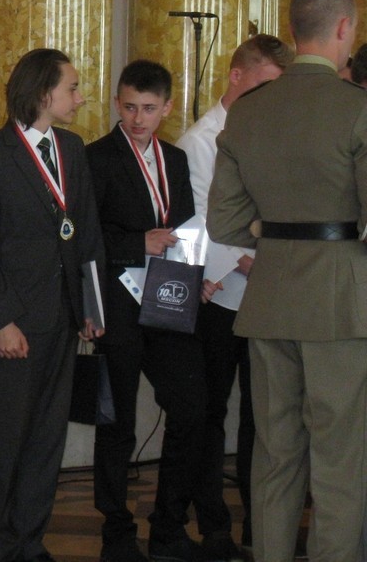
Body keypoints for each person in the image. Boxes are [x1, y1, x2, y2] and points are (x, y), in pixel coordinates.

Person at [208, 0, 367, 562]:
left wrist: (272, 231)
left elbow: (224, 223)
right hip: (340, 303)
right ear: (344, 28)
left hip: (270, 297)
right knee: (339, 459)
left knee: (275, 456)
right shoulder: (358, 109)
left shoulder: (249, 112)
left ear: (295, 29)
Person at [0, 49, 105, 562]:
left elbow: (86, 232)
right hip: (18, 323)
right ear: (44, 93)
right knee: (7, 438)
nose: (80, 97)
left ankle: (30, 541)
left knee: (48, 438)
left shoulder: (72, 148)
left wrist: (91, 307)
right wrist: (0, 319)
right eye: (72, 88)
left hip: (65, 315)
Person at [177, 34, 293, 557]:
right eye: (262, 85)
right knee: (211, 411)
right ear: (236, 75)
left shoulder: (276, 132)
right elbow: (206, 220)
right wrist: (257, 259)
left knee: (264, 415)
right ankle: (214, 523)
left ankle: (261, 524)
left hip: (268, 295)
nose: (269, 98)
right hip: (220, 295)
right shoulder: (201, 140)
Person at [86, 60, 204, 562]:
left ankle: (168, 526)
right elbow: (85, 239)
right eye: (130, 107)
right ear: (117, 103)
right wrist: (139, 243)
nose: (138, 119)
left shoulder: (175, 159)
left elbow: (184, 226)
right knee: (118, 423)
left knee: (192, 408)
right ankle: (116, 530)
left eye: (149, 109)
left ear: (167, 108)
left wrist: (196, 274)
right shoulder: (95, 157)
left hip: (167, 301)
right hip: (117, 305)